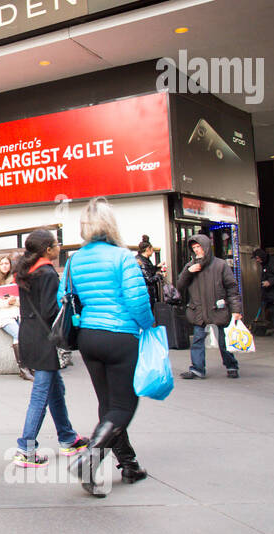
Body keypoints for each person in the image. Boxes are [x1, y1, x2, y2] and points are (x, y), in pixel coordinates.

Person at [60, 199, 155, 496]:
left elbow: (65, 296)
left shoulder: (75, 260)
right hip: (121, 336)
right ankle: (90, 458)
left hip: (89, 337)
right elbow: (137, 301)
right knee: (124, 405)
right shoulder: (122, 257)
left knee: (108, 404)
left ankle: (129, 464)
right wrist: (149, 326)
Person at [11, 230, 89, 466]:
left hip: (29, 334)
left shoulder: (25, 271)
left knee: (55, 389)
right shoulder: (47, 274)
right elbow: (50, 312)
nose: (59, 248)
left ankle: (67, 438)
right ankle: (26, 448)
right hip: (44, 339)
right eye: (57, 244)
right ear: (47, 249)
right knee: (41, 394)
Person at [176, 233, 244, 380]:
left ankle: (231, 365)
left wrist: (236, 310)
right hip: (199, 309)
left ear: (206, 247)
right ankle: (197, 369)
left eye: (199, 247)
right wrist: (188, 272)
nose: (196, 250)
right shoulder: (190, 266)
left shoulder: (220, 265)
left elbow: (232, 289)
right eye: (194, 248)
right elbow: (180, 285)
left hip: (218, 309)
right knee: (198, 340)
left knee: (224, 341)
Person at [0, 253, 31, 381]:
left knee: (26, 334)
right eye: (2, 264)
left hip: (16, 312)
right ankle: (23, 369)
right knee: (18, 334)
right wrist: (5, 302)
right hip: (2, 315)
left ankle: (29, 367)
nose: (5, 266)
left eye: (7, 263)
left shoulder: (15, 279)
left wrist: (13, 301)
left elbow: (24, 299)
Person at [135, 234, 166, 305]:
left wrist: (157, 266)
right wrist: (160, 275)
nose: (153, 251)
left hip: (147, 292)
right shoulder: (141, 261)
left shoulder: (144, 259)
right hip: (147, 292)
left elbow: (148, 270)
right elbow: (149, 279)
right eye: (152, 249)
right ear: (148, 249)